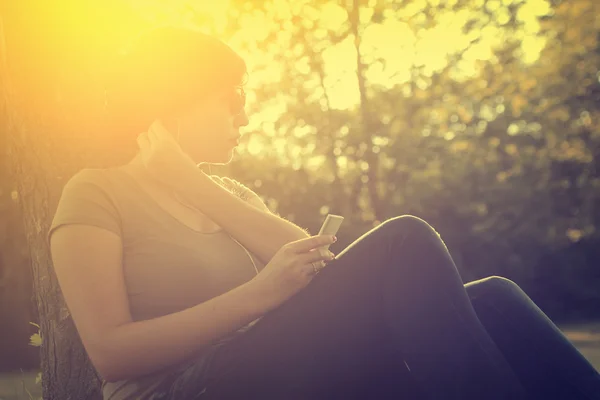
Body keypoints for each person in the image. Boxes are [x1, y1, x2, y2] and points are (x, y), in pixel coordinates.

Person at [47, 26, 600, 400]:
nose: (245, 115)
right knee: (403, 239)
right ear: (174, 99)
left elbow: (324, 274)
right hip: (189, 388)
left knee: (495, 299)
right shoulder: (97, 191)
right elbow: (112, 354)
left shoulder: (232, 197)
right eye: (232, 98)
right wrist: (259, 295)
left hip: (273, 365)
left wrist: (194, 183)